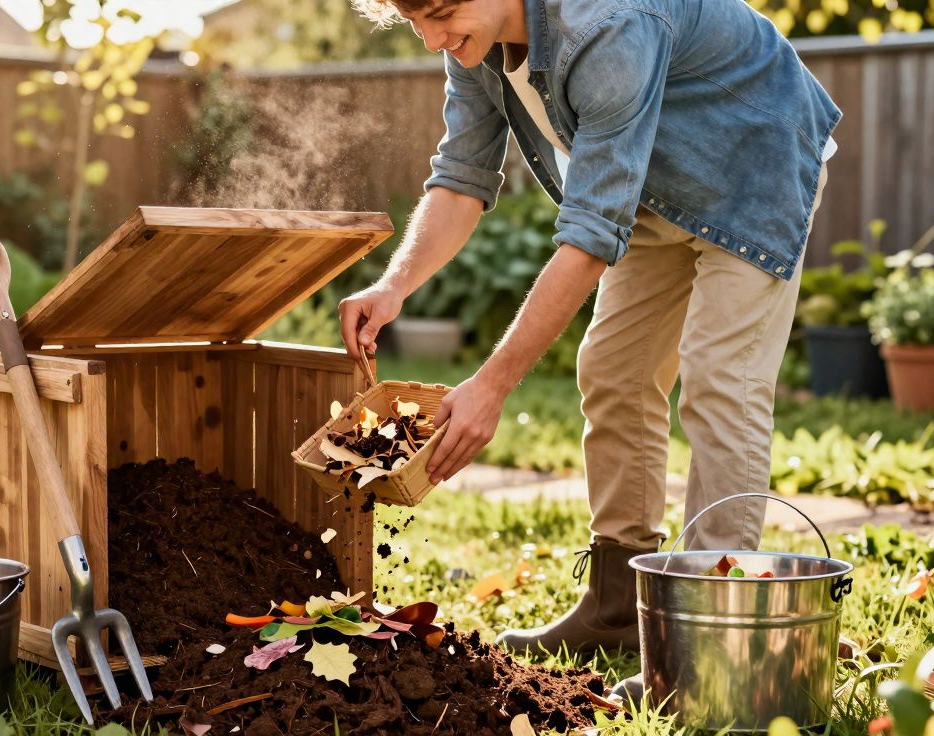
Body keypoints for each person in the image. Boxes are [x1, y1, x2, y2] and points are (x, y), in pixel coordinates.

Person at [337, 0, 838, 667]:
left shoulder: (608, 24)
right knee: (615, 372)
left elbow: (590, 237)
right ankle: (618, 606)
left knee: (722, 379)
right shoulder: (475, 41)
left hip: (756, 167)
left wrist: (493, 385)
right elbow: (461, 175)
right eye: (414, 22)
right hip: (656, 186)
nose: (430, 38)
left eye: (441, 11)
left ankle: (715, 638)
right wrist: (393, 285)